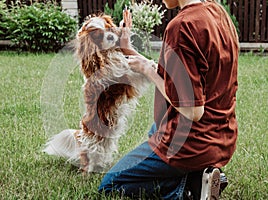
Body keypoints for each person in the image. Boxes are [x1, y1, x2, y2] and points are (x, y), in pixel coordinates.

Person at [98, 0, 239, 199]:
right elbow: (183, 80)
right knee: (155, 129)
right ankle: (202, 174)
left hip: (189, 144)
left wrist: (148, 70)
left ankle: (191, 188)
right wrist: (127, 49)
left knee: (111, 185)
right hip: (221, 137)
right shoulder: (217, 13)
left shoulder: (182, 26)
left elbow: (193, 110)